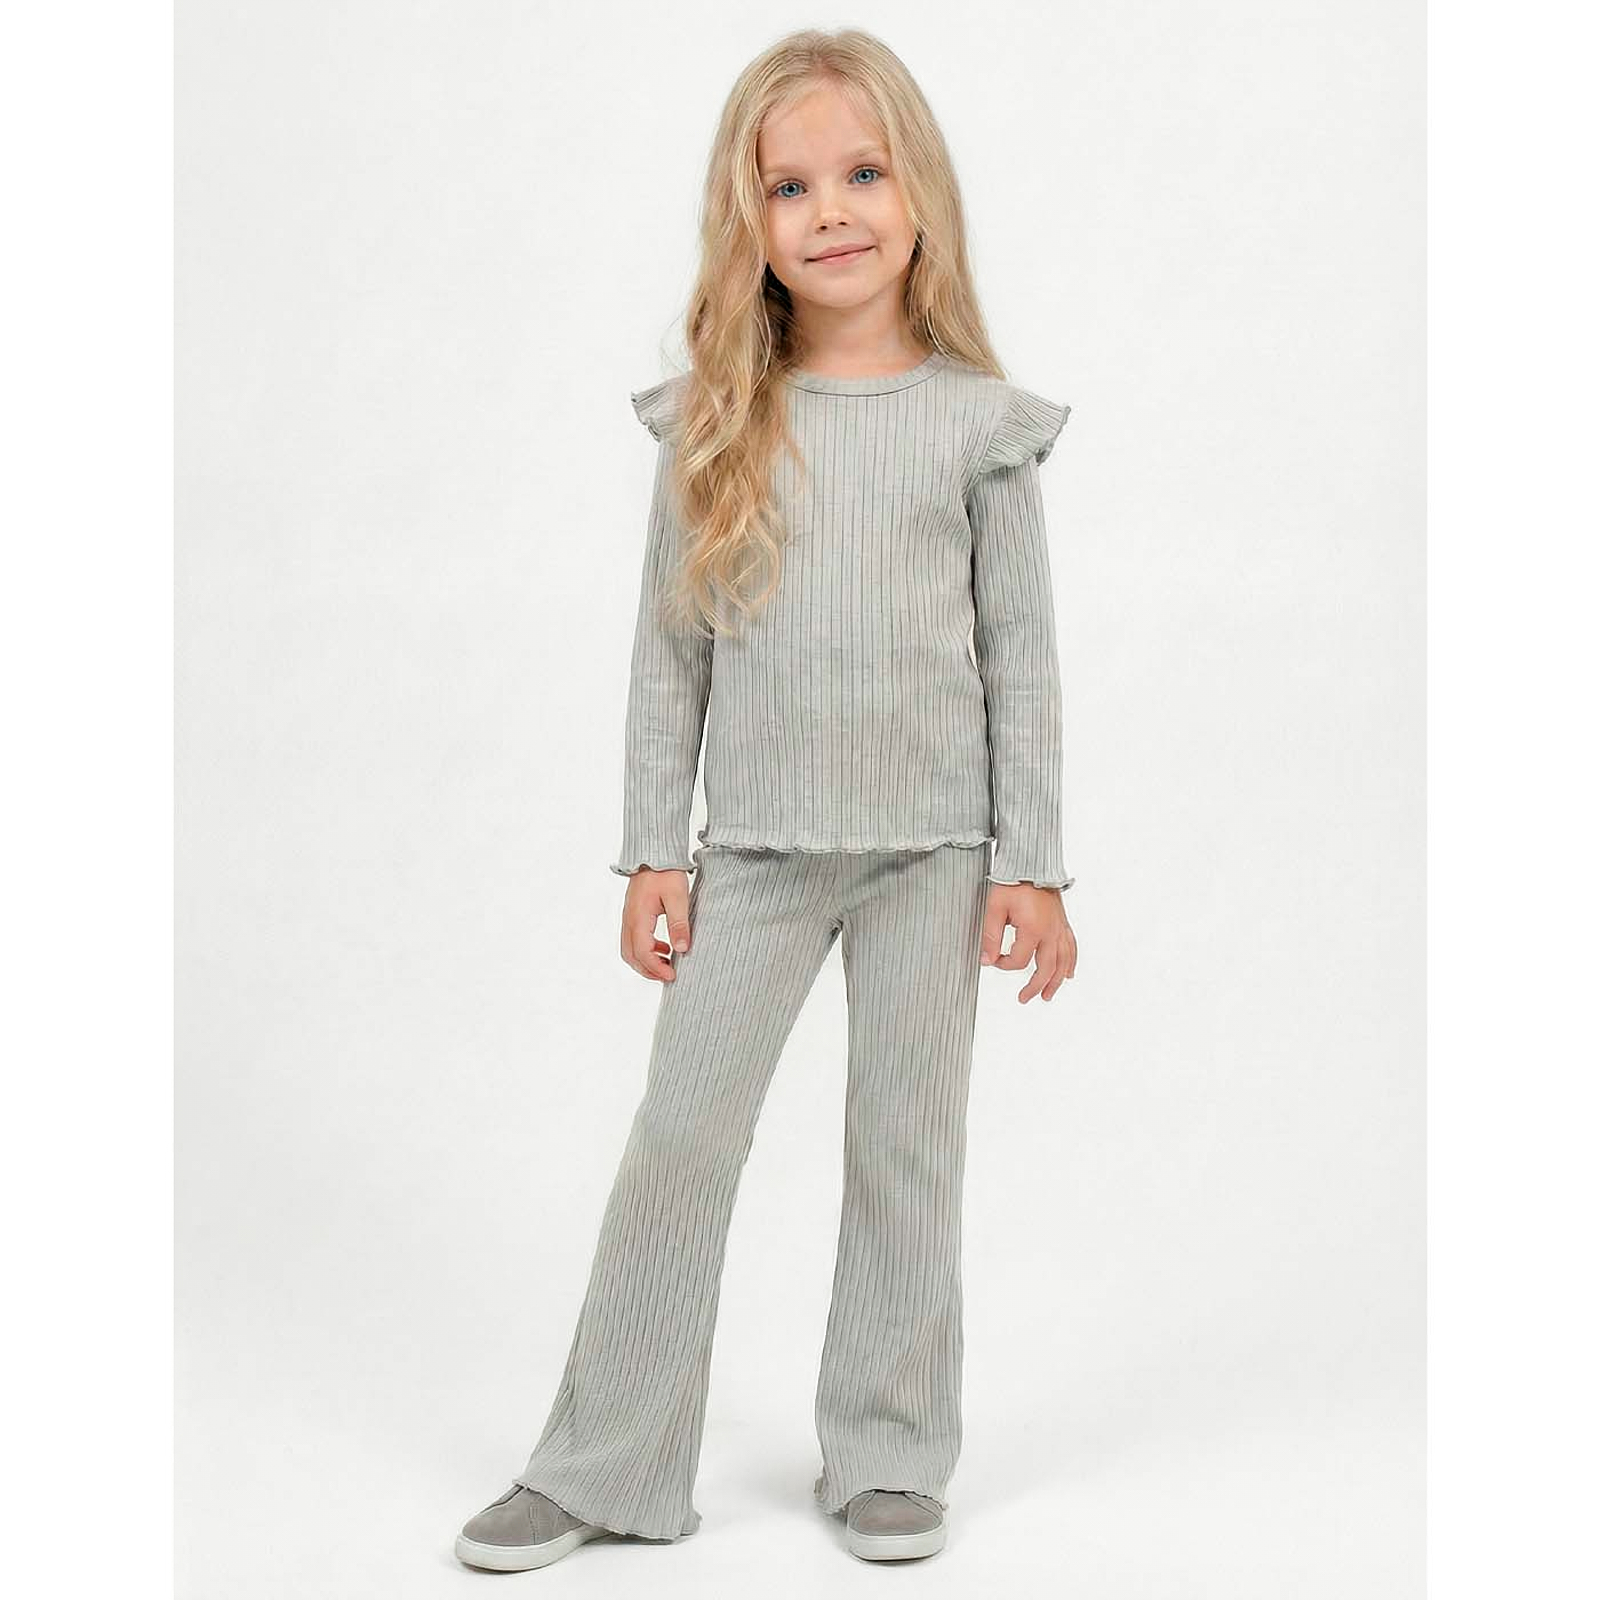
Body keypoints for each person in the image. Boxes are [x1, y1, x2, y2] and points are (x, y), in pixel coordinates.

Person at [455, 25, 1078, 1572]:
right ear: (751, 221)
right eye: (791, 187)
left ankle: (888, 1447)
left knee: (905, 1151)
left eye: (863, 172)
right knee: (682, 1139)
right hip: (755, 857)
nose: (832, 210)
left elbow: (1022, 660)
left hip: (933, 853)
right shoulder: (720, 423)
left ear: (920, 193)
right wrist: (650, 853)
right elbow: (668, 655)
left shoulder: (977, 424)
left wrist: (1034, 865)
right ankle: (603, 1458)